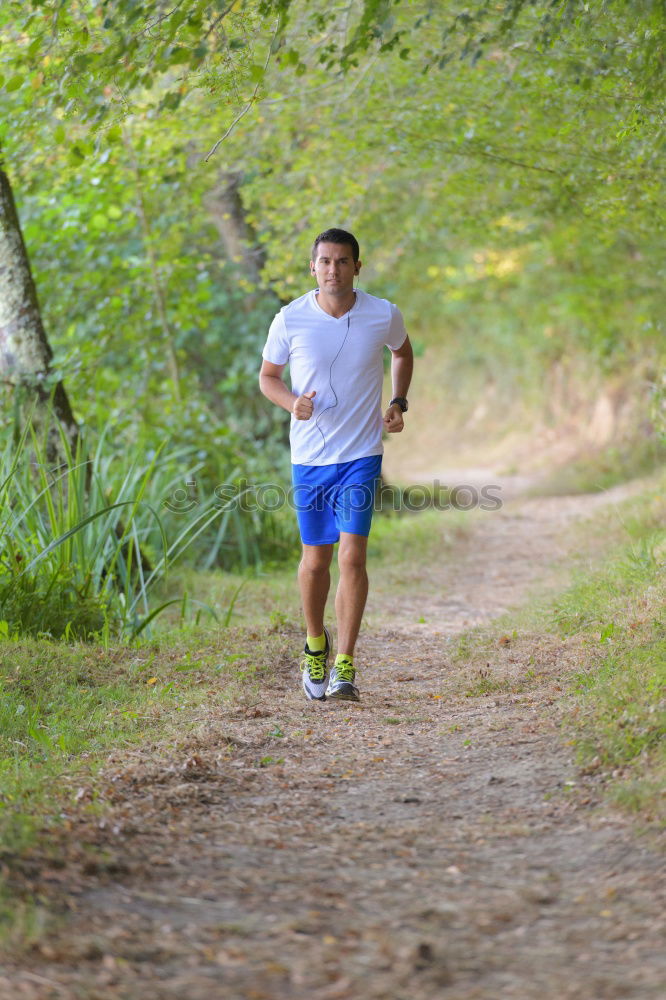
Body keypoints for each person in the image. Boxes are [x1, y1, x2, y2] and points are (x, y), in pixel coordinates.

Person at [259, 228, 413, 702]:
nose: (333, 270)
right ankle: (314, 645)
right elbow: (268, 378)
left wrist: (398, 401)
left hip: (362, 454)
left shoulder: (382, 313)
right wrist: (291, 404)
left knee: (352, 556)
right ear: (313, 267)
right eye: (324, 261)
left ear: (357, 268)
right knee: (315, 561)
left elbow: (403, 351)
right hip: (310, 458)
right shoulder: (290, 319)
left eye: (342, 262)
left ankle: (344, 664)